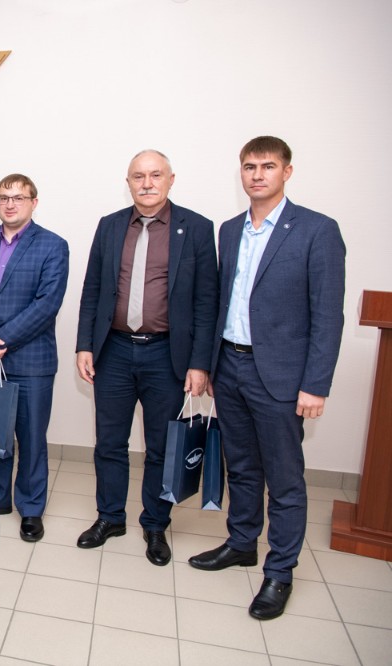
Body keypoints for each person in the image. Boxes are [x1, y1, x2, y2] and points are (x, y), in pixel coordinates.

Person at [189, 136, 346, 620]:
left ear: (287, 172)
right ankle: (241, 543)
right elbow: (221, 303)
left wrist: (316, 384)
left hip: (279, 375)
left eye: (268, 166)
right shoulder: (230, 230)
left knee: (284, 479)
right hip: (230, 366)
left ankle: (280, 572)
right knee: (240, 467)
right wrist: (209, 364)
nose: (257, 175)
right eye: (250, 167)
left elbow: (328, 316)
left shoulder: (317, 230)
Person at [74, 150, 218, 566]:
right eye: (138, 176)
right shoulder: (110, 225)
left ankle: (155, 524)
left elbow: (207, 301)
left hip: (167, 354)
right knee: (109, 443)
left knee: (161, 447)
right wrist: (85, 344)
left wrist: (200, 363)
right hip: (114, 350)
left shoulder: (197, 228)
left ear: (171, 179)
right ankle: (110, 517)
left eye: (156, 175)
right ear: (128, 182)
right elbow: (92, 290)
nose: (147, 183)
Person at [0, 173, 68, 542]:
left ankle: (31, 509)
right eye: (3, 197)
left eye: (18, 197)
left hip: (31, 361)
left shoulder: (53, 245)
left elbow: (47, 304)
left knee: (32, 439)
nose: (10, 203)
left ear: (34, 202)